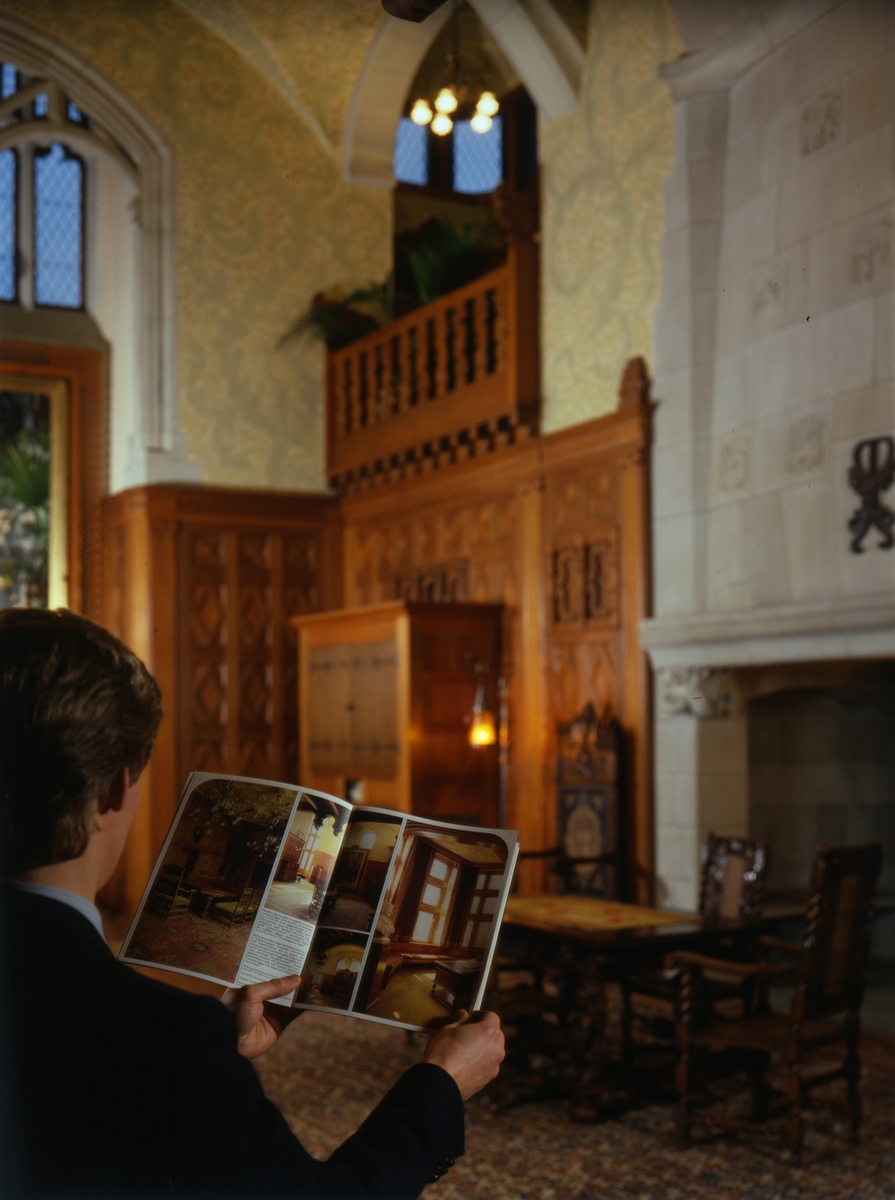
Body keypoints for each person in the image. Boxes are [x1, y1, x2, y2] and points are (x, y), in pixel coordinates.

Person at [0, 607, 505, 1197]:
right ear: (115, 789)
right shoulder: (166, 1036)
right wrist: (441, 1083)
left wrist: (217, 1049)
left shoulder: (168, 1037)